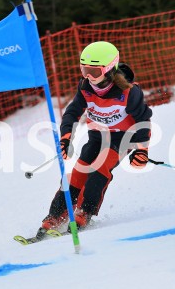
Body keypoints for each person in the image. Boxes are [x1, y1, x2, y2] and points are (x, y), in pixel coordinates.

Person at [35, 41, 152, 241]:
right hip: (96, 137)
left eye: (94, 72)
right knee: (78, 173)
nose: (88, 77)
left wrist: (142, 149)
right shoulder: (85, 87)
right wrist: (65, 138)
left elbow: (143, 120)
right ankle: (55, 215)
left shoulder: (129, 92)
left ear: (109, 70)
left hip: (121, 139)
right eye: (84, 70)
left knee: (100, 169)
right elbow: (72, 113)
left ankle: (84, 212)